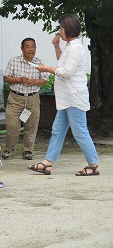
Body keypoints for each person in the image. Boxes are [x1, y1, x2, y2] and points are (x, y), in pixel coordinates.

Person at [28, 14, 100, 176]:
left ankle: (93, 164)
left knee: (80, 132)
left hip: (73, 97)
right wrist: (56, 47)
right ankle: (47, 163)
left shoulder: (75, 48)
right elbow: (63, 62)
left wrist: (46, 69)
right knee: (57, 130)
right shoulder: (70, 46)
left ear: (68, 30)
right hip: (66, 98)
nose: (59, 31)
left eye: (61, 28)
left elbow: (66, 72)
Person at [2, 38, 49, 160]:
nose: (31, 49)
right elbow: (6, 78)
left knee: (30, 126)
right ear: (22, 49)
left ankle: (27, 151)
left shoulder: (39, 63)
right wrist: (19, 79)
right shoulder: (14, 61)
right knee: (13, 126)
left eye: (33, 46)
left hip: (32, 99)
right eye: (27, 46)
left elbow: (45, 79)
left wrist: (35, 82)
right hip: (16, 99)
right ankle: (9, 149)